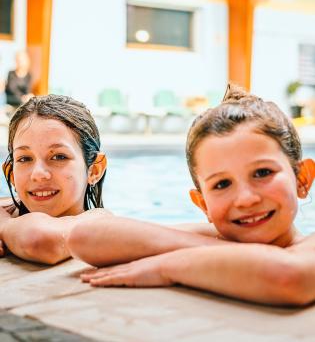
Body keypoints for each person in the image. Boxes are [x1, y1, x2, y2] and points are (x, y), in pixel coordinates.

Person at [74, 84, 315, 306]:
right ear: (203, 205)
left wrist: (168, 266)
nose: (246, 199)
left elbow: (289, 278)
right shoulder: (215, 238)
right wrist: (224, 255)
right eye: (221, 184)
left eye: (263, 172)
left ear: (302, 179)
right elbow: (85, 237)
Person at [0, 94, 231, 264]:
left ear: (94, 170)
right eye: (24, 159)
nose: (38, 173)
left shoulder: (98, 220)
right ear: (10, 172)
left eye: (59, 156)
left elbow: (39, 240)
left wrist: (4, 226)